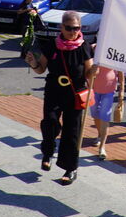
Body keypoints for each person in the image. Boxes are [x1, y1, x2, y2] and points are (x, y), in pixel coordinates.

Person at [25, 11, 95, 185]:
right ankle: (47, 152)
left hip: (75, 93)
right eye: (69, 28)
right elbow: (40, 69)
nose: (73, 32)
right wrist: (33, 62)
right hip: (54, 91)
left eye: (77, 28)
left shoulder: (84, 46)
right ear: (61, 27)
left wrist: (95, 71)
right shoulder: (52, 45)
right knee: (50, 122)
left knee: (72, 132)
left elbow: (88, 74)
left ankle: (70, 168)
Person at [90, 55, 125, 160]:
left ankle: (102, 147)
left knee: (104, 116)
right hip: (94, 89)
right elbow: (87, 69)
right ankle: (100, 134)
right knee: (95, 114)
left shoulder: (114, 53)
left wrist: (121, 91)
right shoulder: (95, 49)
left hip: (109, 90)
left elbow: (120, 72)